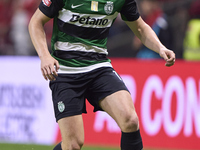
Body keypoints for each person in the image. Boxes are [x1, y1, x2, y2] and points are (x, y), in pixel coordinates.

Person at [28, 0, 175, 150]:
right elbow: (36, 21)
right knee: (73, 145)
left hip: (99, 67)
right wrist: (44, 55)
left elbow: (139, 27)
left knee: (130, 119)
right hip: (66, 71)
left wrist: (160, 48)